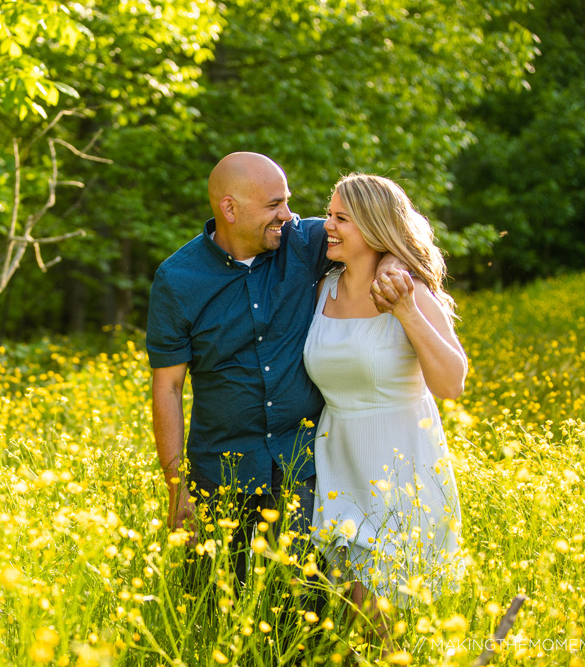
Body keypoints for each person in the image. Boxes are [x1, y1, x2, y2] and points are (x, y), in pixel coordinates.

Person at [145, 153, 400, 581]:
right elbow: (167, 387)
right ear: (229, 208)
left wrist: (392, 264)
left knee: (302, 613)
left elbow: (384, 232)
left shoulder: (304, 242)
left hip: (303, 467)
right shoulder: (177, 280)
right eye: (274, 205)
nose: (289, 214)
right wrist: (178, 491)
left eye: (286, 202)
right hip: (221, 472)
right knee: (215, 607)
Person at [303, 173, 466, 642]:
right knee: (352, 619)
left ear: (374, 227)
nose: (327, 226)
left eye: (341, 218)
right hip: (339, 462)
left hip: (398, 463)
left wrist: (406, 309)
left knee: (376, 618)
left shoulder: (409, 290)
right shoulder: (323, 289)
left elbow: (452, 383)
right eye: (328, 214)